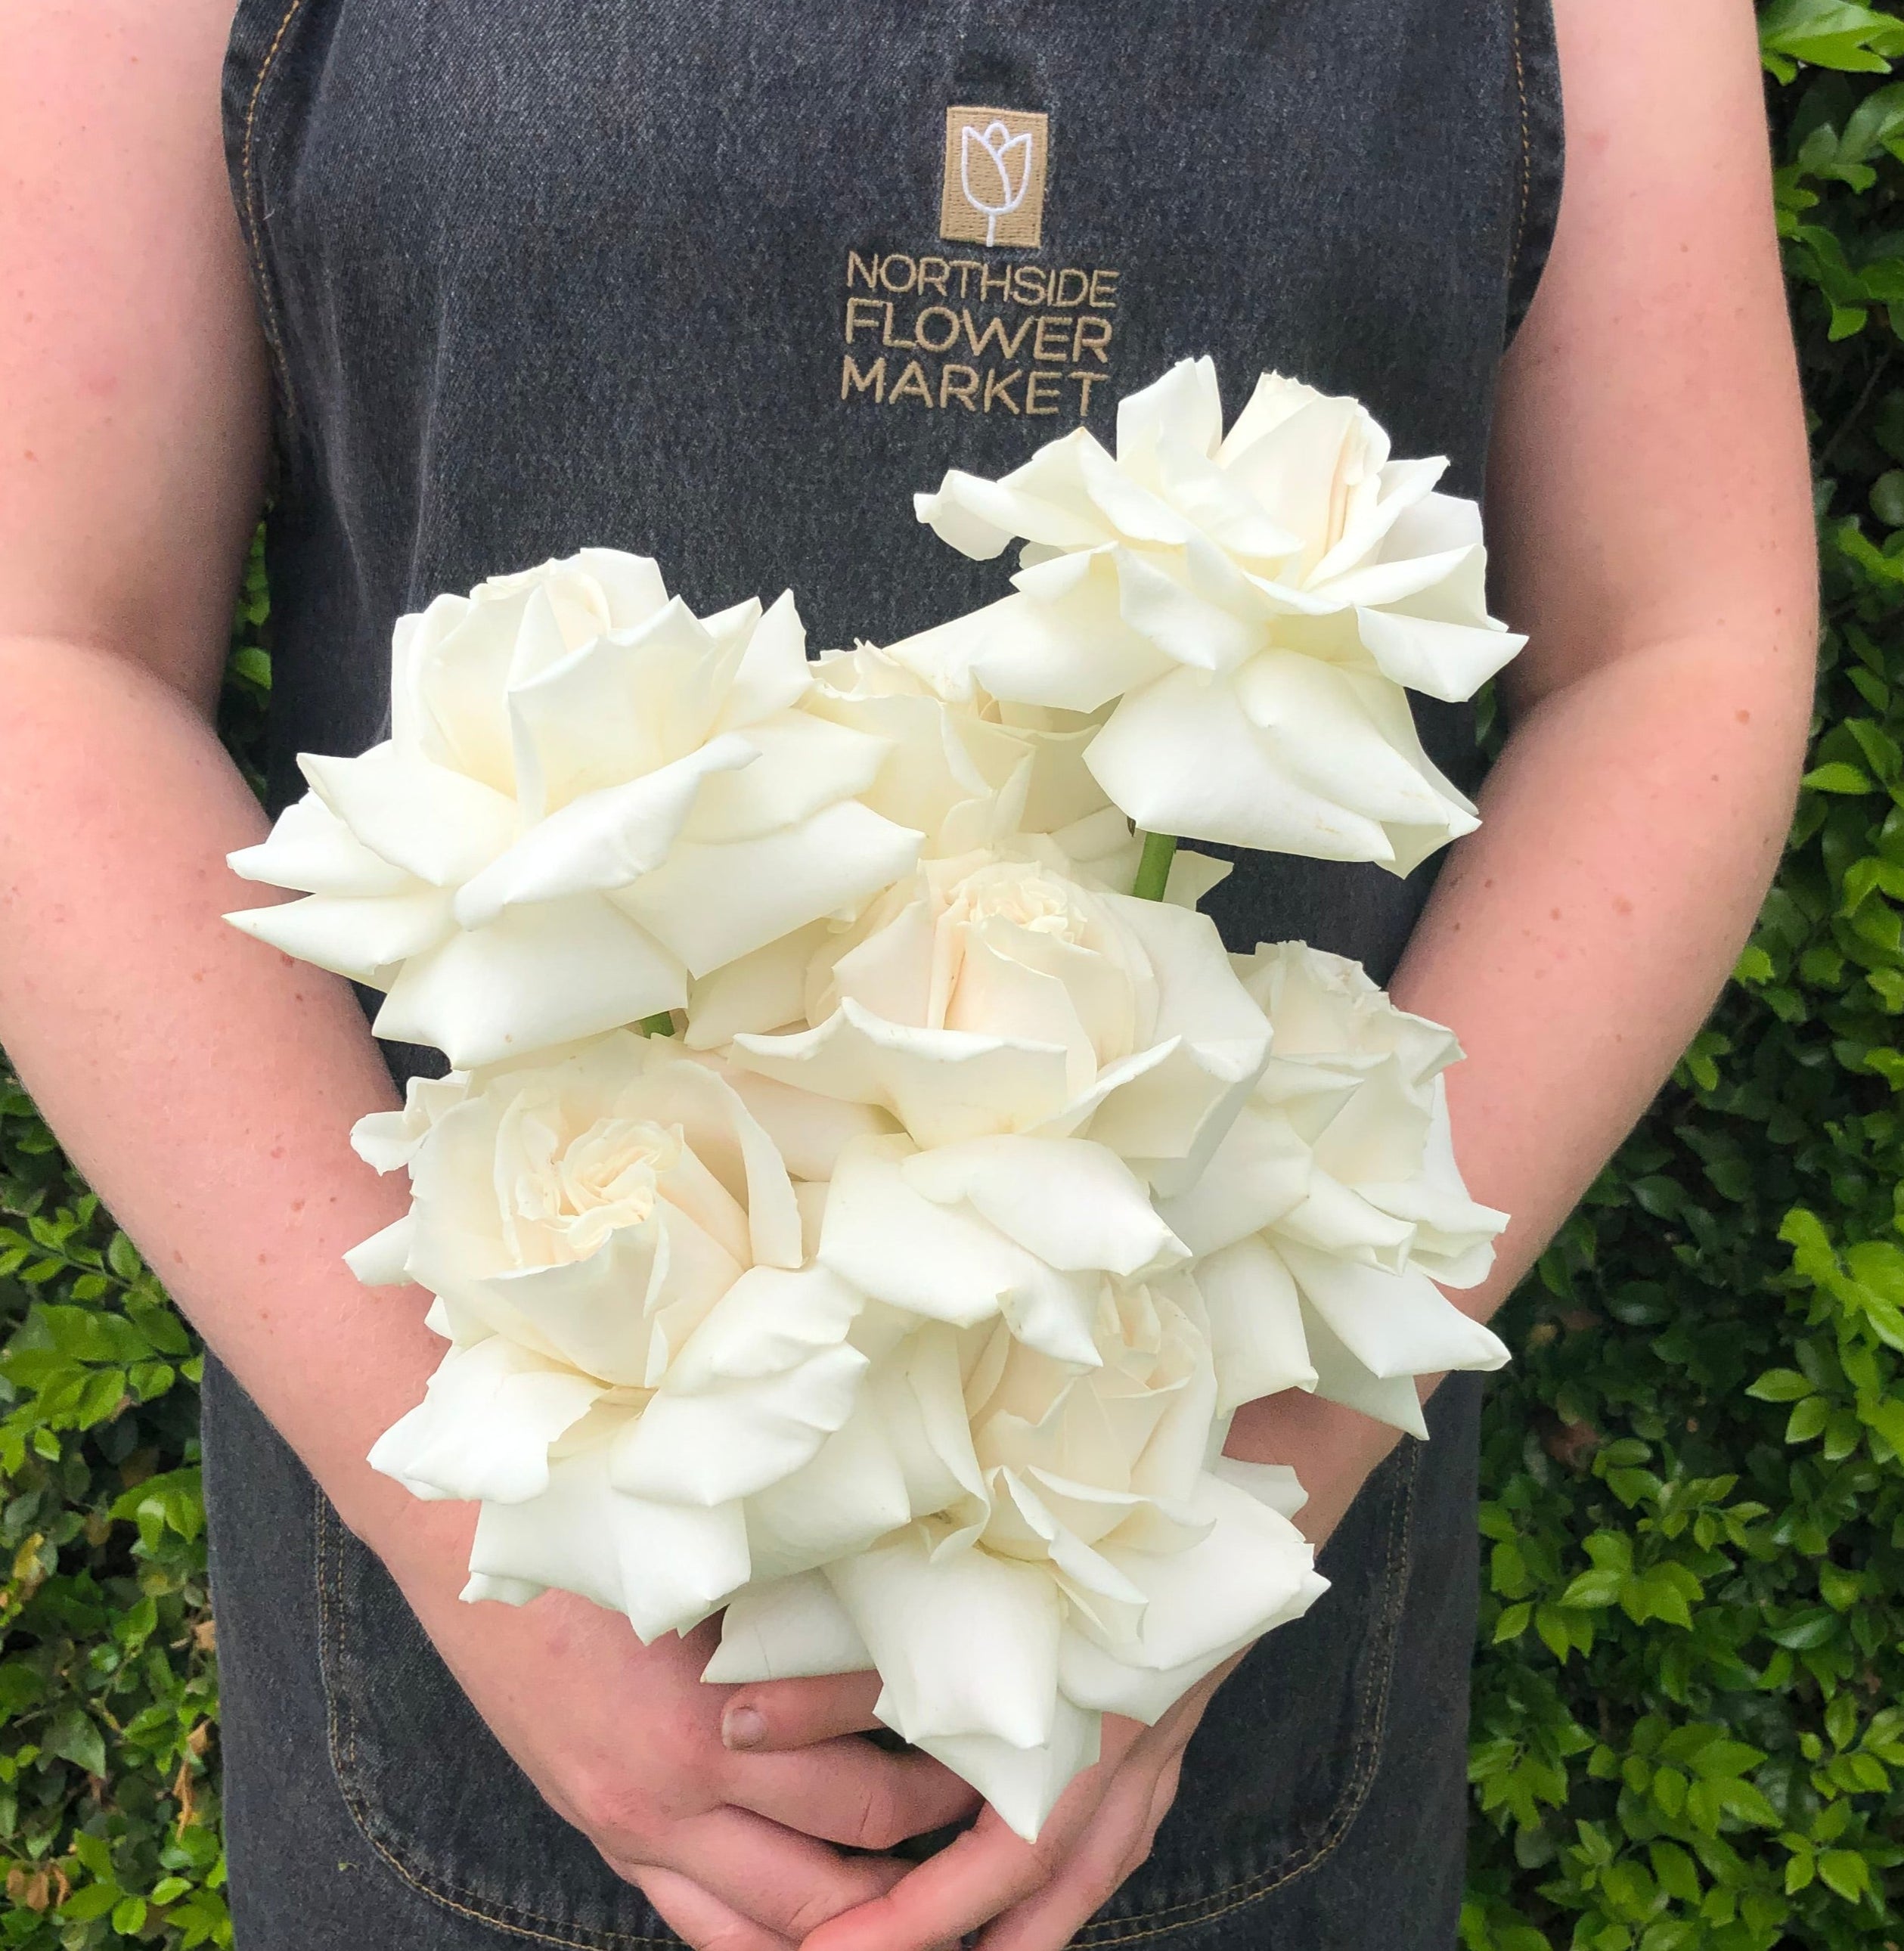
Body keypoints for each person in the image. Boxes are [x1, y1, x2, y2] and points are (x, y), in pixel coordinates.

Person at [0, 2, 1813, 1946]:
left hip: (1218, 1682)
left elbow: (1673, 640)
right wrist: (483, 1533)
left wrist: (1189, 1533)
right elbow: (49, 651)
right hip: (485, 1676)